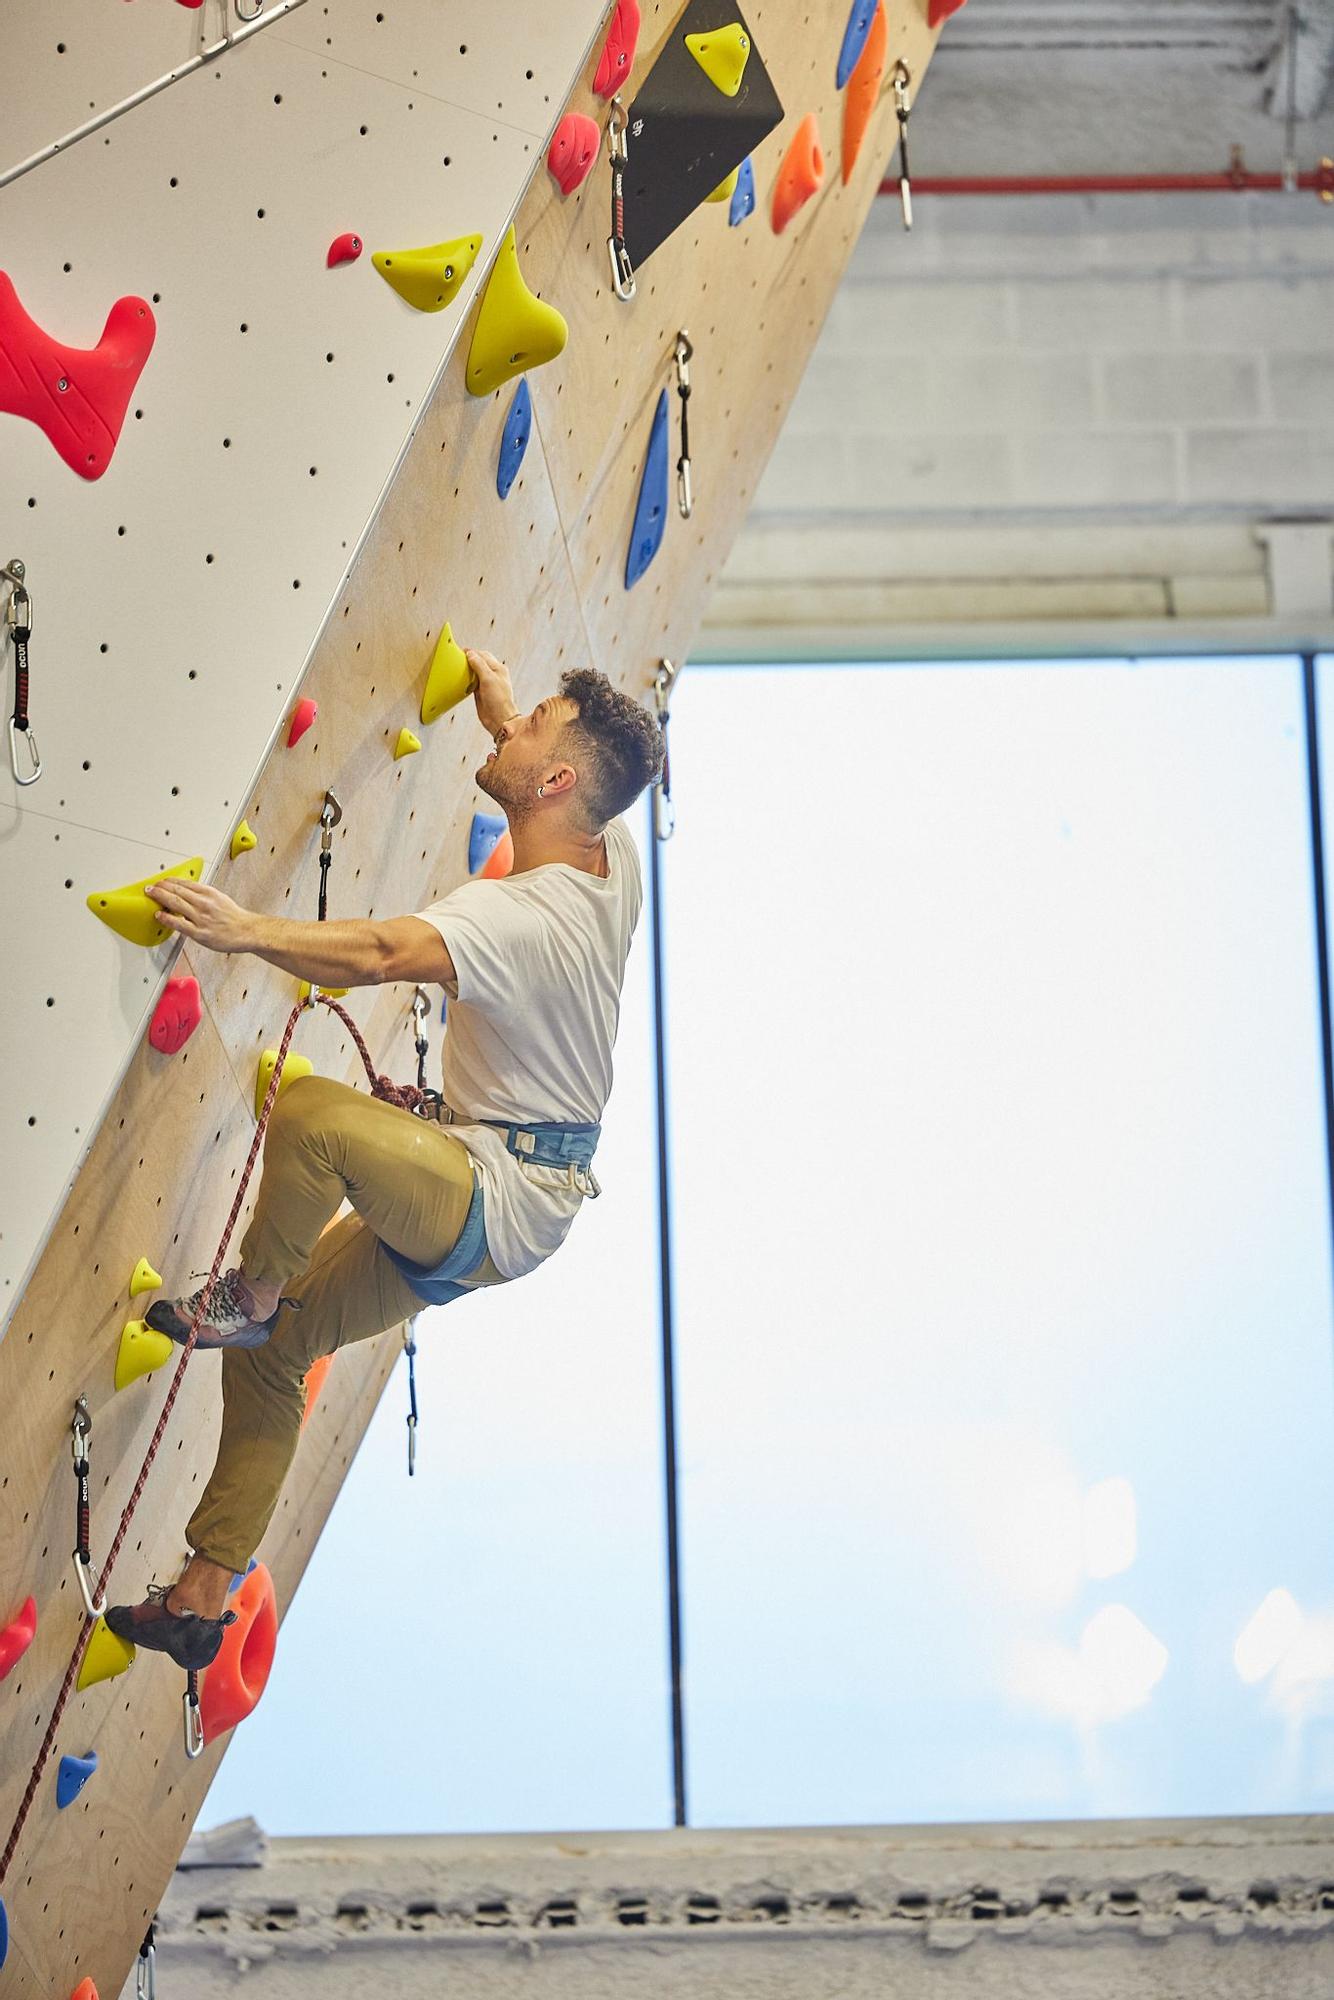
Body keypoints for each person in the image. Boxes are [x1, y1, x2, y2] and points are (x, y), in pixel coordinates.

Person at [105, 651, 664, 1671]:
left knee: (313, 1114)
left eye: (537, 721)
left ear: (556, 785)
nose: (518, 723)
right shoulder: (604, 848)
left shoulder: (524, 916)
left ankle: (251, 1291)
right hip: (505, 1185)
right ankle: (200, 1597)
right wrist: (505, 712)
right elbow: (547, 767)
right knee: (278, 1360)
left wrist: (242, 929)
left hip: (497, 1192)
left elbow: (373, 955)